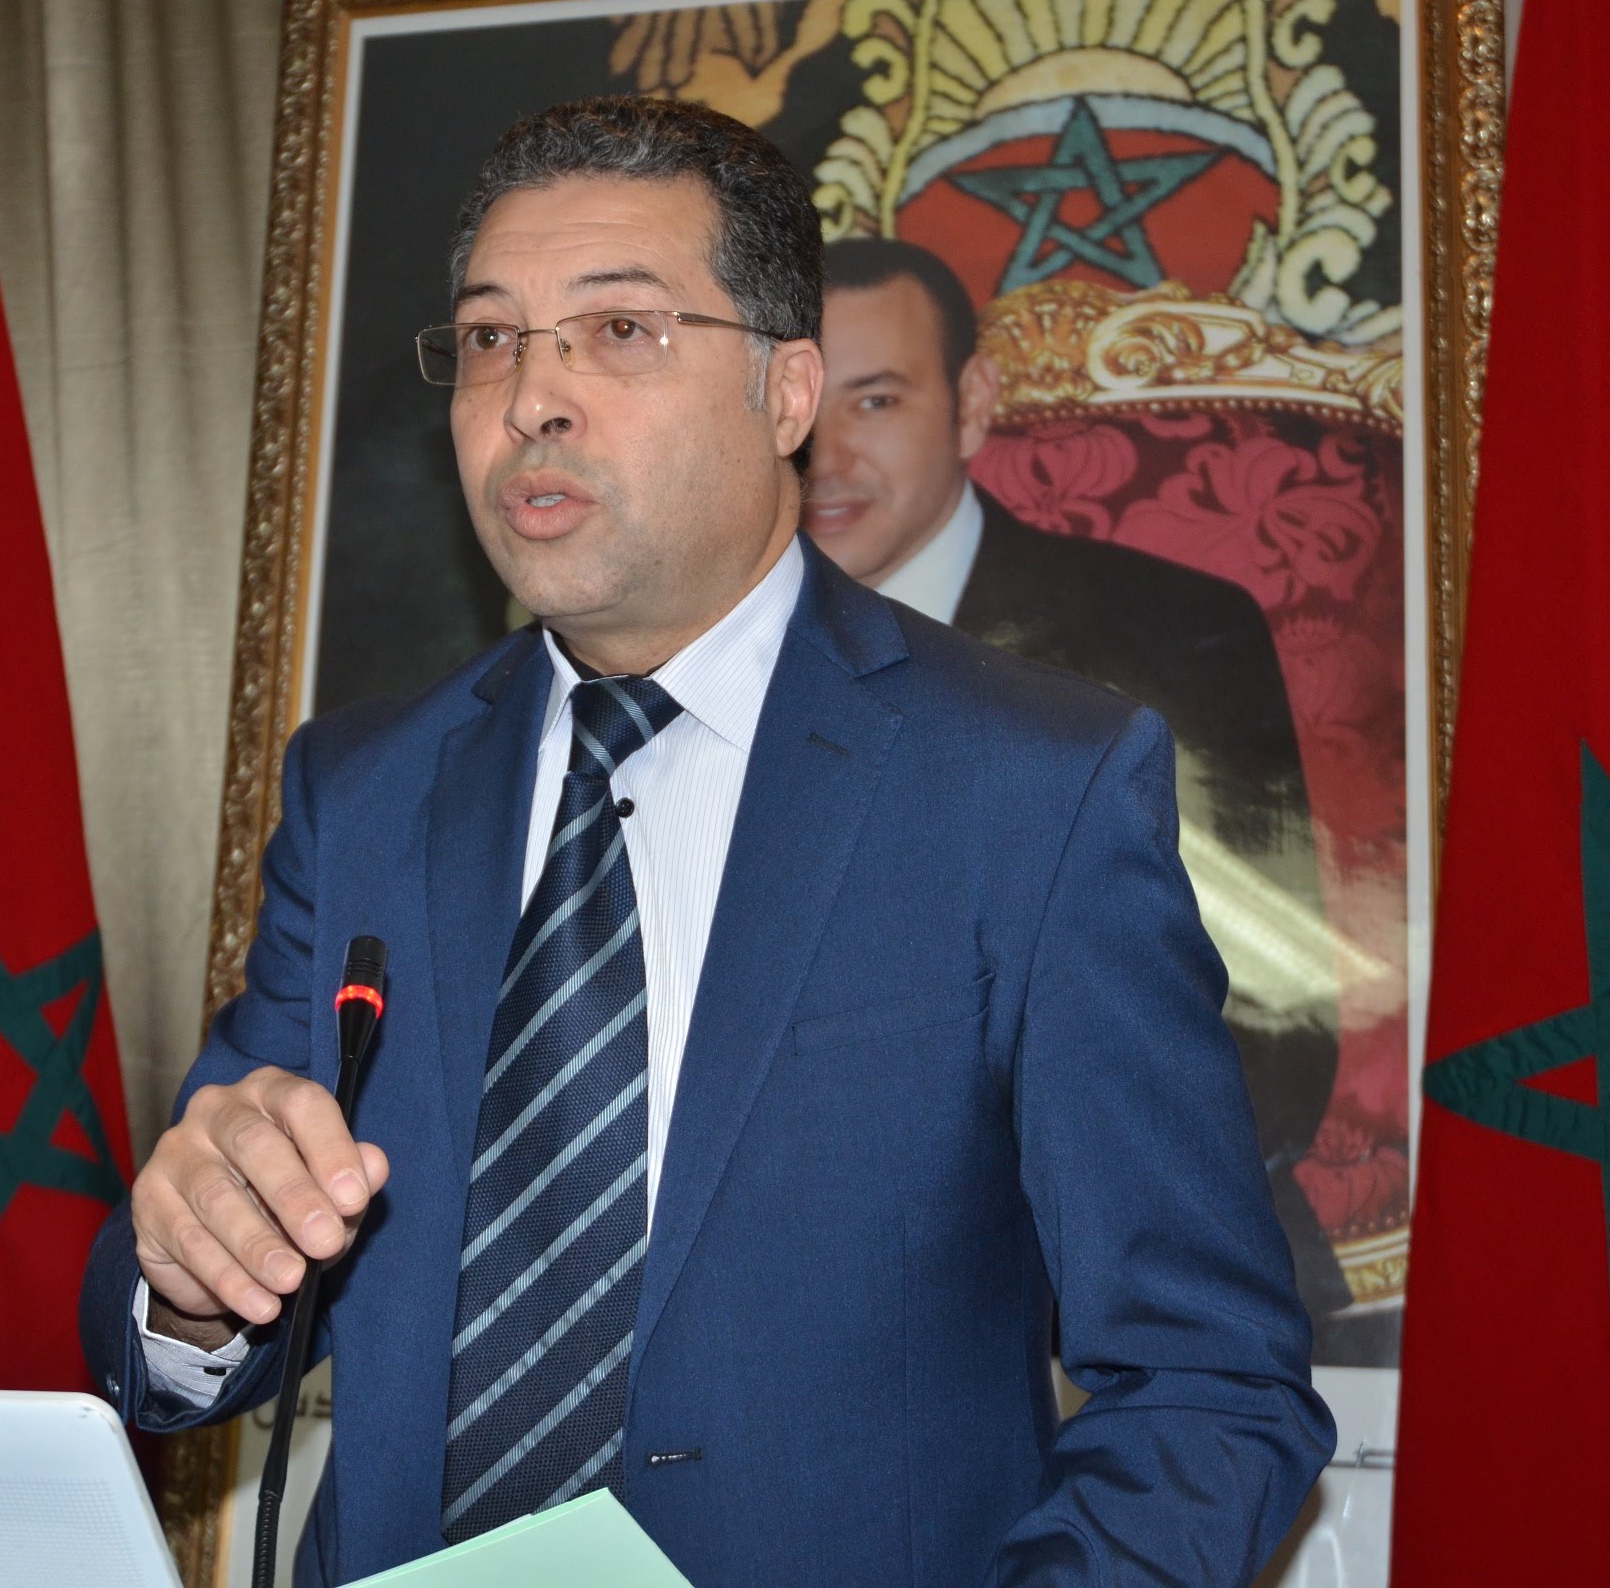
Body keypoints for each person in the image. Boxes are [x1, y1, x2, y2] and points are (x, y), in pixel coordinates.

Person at [83, 97, 1331, 1587]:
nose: (531, 399)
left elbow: (1210, 1389)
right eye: (489, 338)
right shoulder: (363, 788)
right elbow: (171, 1302)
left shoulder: (1031, 788)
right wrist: (193, 1282)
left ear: (788, 389)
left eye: (618, 331)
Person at [810, 236, 1355, 1327]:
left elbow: (1273, 1030)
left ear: (971, 405)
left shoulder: (1173, 637)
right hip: (793, 1299)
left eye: (874, 402)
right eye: (797, 401)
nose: (825, 455)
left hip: (1121, 1288)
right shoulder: (691, 656)